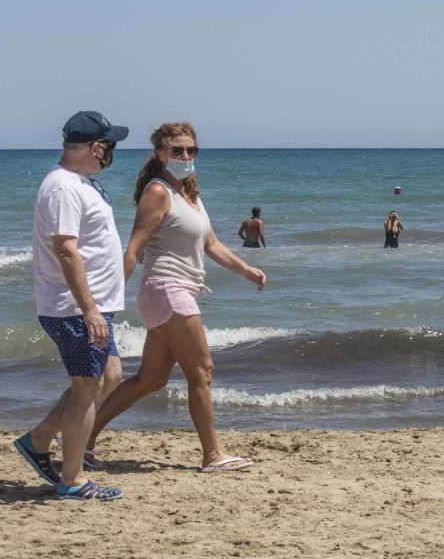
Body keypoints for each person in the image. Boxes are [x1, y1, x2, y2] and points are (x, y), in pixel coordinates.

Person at [88, 122, 265, 473]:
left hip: (176, 291)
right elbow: (135, 247)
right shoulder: (158, 192)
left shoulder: (190, 195)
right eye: (178, 150)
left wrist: (246, 270)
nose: (185, 156)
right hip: (166, 290)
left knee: (151, 379)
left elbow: (211, 243)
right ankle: (213, 454)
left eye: (191, 150)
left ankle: (82, 437)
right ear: (161, 154)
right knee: (202, 371)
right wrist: (105, 301)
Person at [15, 110, 129, 501]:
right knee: (86, 387)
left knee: (109, 375)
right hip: (73, 308)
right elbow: (65, 251)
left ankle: (40, 439)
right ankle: (72, 479)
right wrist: (90, 309)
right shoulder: (63, 187)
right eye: (109, 145)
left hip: (90, 305)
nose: (111, 153)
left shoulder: (81, 183)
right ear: (96, 147)